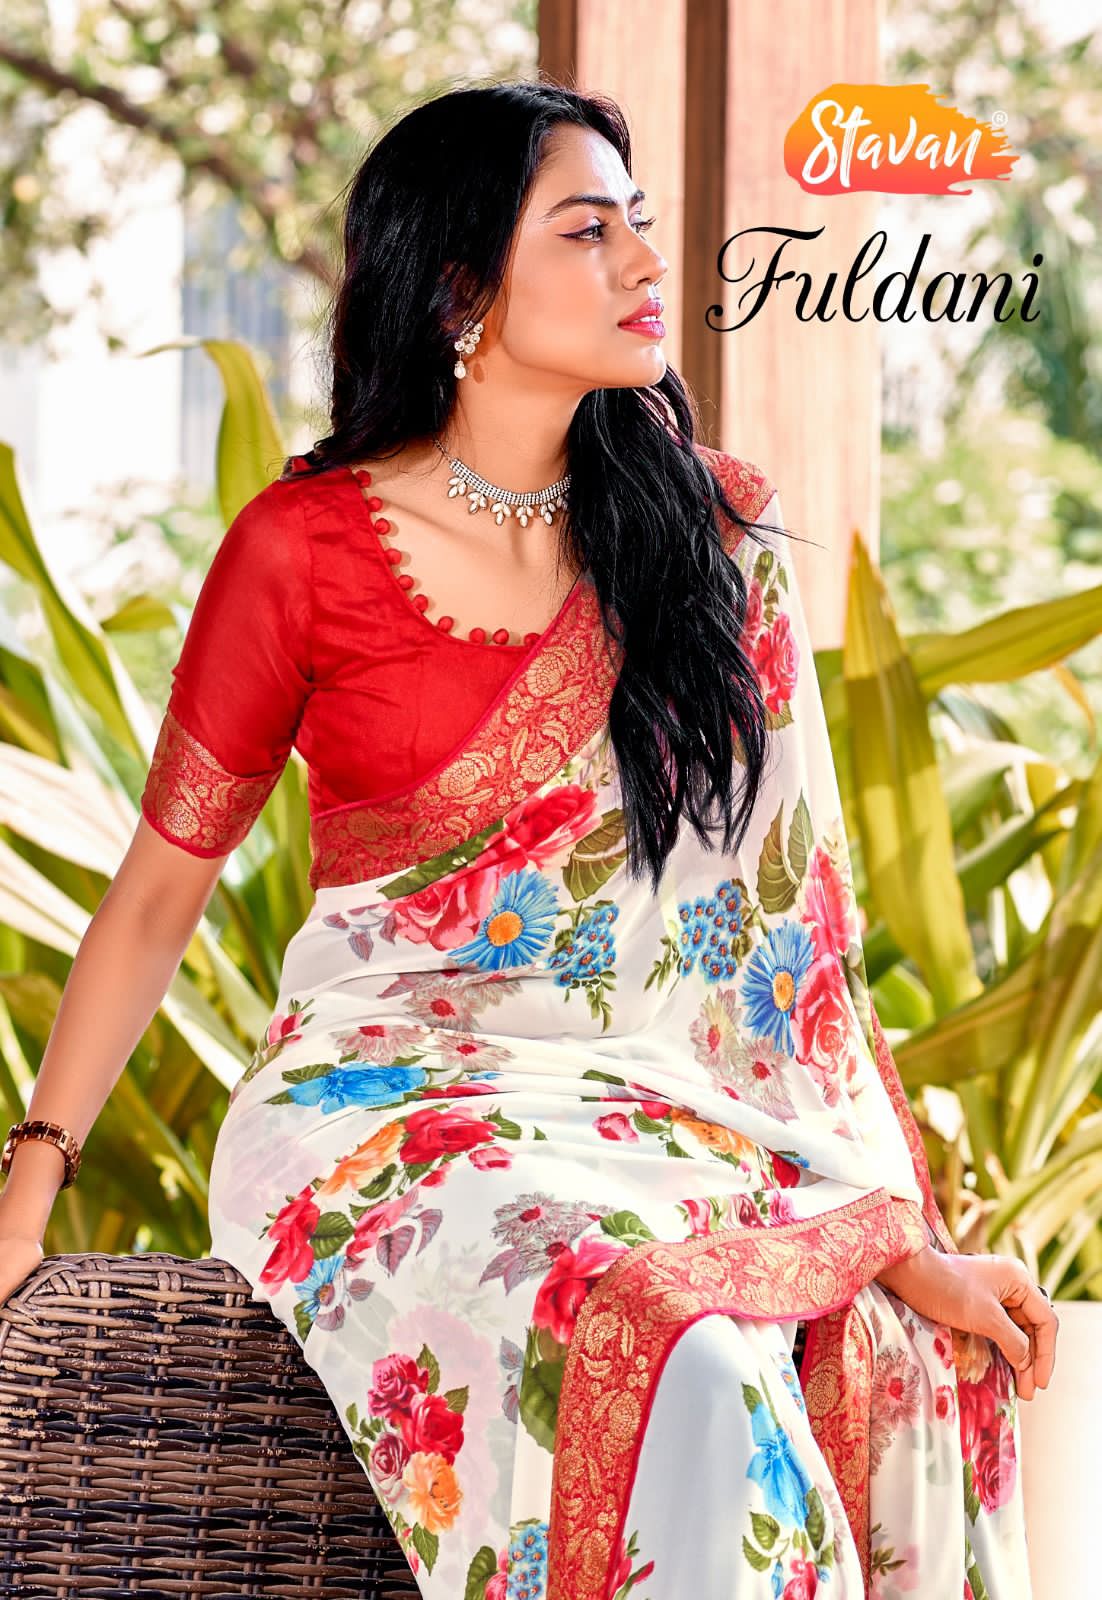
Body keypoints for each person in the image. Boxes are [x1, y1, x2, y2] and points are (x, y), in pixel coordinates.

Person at [0, 78, 1056, 1600]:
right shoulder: (304, 552)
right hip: (383, 1106)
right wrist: (29, 1184)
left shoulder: (706, 545)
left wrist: (896, 1245)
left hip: (664, 1115)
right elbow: (161, 893)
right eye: (586, 229)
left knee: (801, 1348)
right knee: (684, 1351)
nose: (644, 262)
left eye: (640, 222)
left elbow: (786, 962)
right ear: (458, 292)